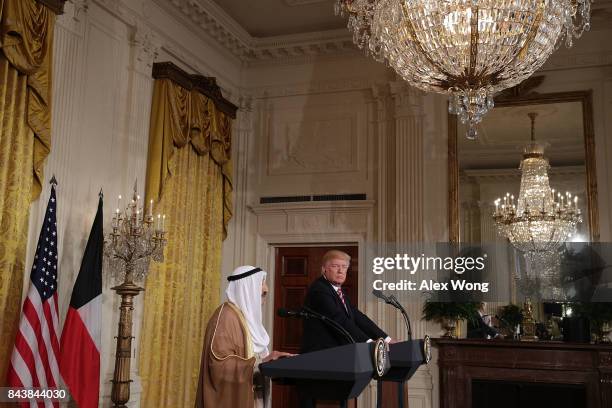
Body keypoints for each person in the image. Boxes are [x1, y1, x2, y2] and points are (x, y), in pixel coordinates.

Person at [195, 266, 293, 408]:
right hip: (233, 398)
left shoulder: (244, 318)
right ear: (247, 290)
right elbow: (219, 365)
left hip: (253, 393)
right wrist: (260, 364)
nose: (265, 293)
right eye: (261, 293)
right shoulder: (225, 318)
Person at [301, 250, 392, 352]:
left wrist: (386, 339)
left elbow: (358, 317)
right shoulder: (319, 290)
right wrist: (368, 342)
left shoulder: (337, 291)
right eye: (335, 266)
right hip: (320, 353)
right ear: (324, 269)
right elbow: (338, 319)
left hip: (337, 352)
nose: (340, 271)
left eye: (344, 267)